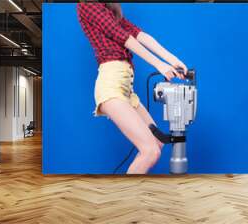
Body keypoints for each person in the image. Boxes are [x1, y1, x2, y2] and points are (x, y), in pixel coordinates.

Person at [77, 3, 188, 174]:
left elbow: (139, 34)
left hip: (126, 89)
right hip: (111, 84)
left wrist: (171, 59)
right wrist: (159, 64)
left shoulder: (108, 11)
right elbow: (123, 37)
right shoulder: (87, 4)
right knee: (150, 151)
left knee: (157, 142)